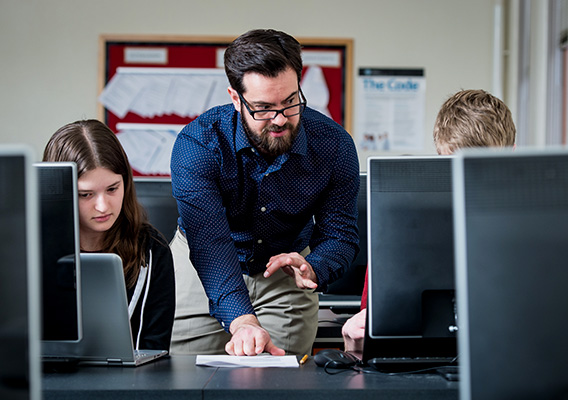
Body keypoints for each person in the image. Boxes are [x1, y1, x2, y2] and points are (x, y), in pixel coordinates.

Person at [169, 29, 360, 356]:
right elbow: (210, 243)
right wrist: (241, 319)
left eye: (290, 102)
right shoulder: (198, 145)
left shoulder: (334, 146)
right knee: (181, 378)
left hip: (286, 271)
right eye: (262, 108)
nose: (279, 119)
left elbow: (340, 235)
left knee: (275, 384)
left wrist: (315, 265)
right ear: (234, 97)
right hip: (201, 265)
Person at [341, 89, 516, 359]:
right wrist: (353, 342)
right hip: (416, 365)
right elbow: (370, 333)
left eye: (481, 167)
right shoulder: (401, 230)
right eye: (452, 169)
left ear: (511, 154)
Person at [43, 119, 176, 351]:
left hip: (127, 382)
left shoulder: (152, 249)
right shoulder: (31, 248)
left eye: (112, 189)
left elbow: (153, 349)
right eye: (85, 194)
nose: (103, 207)